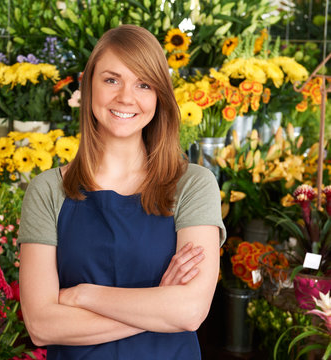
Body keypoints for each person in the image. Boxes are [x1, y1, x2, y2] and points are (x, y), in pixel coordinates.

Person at [18, 24, 226, 360]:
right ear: (88, 86)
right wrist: (159, 303)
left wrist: (82, 295)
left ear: (159, 96)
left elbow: (189, 311)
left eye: (143, 84)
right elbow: (42, 325)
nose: (126, 97)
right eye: (111, 79)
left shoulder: (193, 185)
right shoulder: (47, 191)